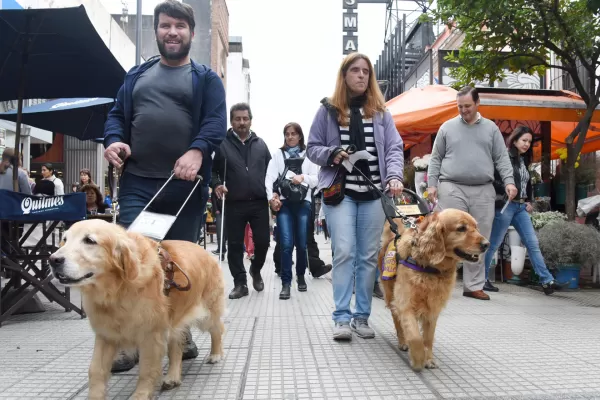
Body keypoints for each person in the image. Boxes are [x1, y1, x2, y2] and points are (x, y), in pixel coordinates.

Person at [102, 0, 226, 372]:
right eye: (165, 26)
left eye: (180, 26)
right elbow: (116, 116)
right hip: (139, 181)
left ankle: (181, 332)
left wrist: (197, 151)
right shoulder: (136, 75)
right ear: (156, 31)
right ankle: (129, 341)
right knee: (134, 260)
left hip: (185, 188)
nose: (172, 32)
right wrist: (114, 140)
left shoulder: (205, 78)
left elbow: (215, 123)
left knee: (177, 261)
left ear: (192, 32)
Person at [307, 52, 404, 341]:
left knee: (367, 256)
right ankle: (340, 317)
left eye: (366, 71)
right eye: (355, 70)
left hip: (375, 193)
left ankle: (361, 316)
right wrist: (332, 153)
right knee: (345, 251)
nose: (361, 75)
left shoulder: (381, 112)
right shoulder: (328, 110)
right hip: (341, 193)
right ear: (344, 75)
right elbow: (312, 147)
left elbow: (394, 149)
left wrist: (395, 176)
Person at [427, 85, 518, 301]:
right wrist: (431, 184)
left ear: (478, 104)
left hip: (483, 188)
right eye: (460, 106)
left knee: (479, 238)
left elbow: (501, 159)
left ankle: (473, 285)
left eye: (467, 106)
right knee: (445, 235)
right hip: (451, 186)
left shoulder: (491, 129)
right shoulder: (447, 127)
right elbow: (435, 158)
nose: (463, 110)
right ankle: (439, 280)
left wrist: (509, 182)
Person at [485, 126, 567, 295]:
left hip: (520, 207)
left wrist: (527, 200)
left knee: (532, 243)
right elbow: (493, 180)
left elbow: (526, 182)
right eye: (524, 140)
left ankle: (546, 281)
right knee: (493, 243)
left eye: (529, 141)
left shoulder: (524, 160)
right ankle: (481, 279)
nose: (527, 144)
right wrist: (506, 190)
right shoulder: (504, 158)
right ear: (514, 140)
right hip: (506, 205)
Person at [211, 103, 272, 300]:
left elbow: (271, 173)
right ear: (231, 121)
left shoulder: (261, 145)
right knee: (235, 245)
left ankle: (255, 269)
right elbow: (212, 171)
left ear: (251, 120)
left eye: (245, 118)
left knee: (263, 242)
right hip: (234, 203)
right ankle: (240, 283)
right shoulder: (221, 144)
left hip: (259, 203)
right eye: (238, 119)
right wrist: (217, 184)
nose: (242, 122)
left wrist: (275, 194)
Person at [266, 122, 319, 299]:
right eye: (287, 134)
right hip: (284, 204)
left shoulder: (309, 155)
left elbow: (317, 179)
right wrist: (271, 198)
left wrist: (302, 177)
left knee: (302, 244)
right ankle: (286, 283)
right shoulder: (278, 155)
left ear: (300, 136)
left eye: (294, 133)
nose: (290, 137)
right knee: (286, 244)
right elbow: (269, 178)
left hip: (304, 203)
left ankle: (301, 276)